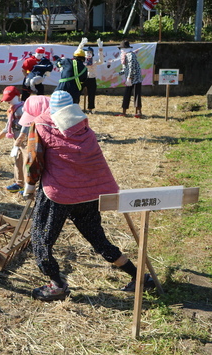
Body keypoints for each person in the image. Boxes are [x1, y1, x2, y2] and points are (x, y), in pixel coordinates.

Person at [23, 90, 153, 301]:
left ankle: (57, 285)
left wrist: (29, 186)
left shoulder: (40, 125)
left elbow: (33, 159)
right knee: (97, 238)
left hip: (58, 194)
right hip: (89, 195)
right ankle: (139, 277)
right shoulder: (84, 127)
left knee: (41, 239)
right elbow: (94, 162)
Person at [0, 86, 25, 193]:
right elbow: (8, 127)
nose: (8, 101)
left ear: (18, 96)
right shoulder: (11, 111)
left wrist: (20, 141)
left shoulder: (23, 110)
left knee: (27, 161)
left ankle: (28, 185)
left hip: (26, 141)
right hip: (16, 140)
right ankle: (19, 183)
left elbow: (28, 127)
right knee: (18, 160)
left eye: (10, 98)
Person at [54, 38, 88, 104]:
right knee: (73, 106)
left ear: (74, 56)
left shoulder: (67, 61)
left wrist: (58, 59)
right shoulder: (84, 69)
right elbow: (83, 80)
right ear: (84, 59)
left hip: (63, 87)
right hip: (75, 90)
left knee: (56, 102)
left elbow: (58, 64)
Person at [117, 40, 143, 118]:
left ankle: (139, 112)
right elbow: (126, 69)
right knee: (126, 94)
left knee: (137, 94)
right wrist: (118, 74)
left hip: (135, 78)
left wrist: (129, 77)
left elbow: (132, 67)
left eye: (121, 48)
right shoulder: (124, 56)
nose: (121, 50)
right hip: (129, 78)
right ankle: (124, 111)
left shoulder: (131, 55)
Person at [82, 39, 105, 114]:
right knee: (77, 92)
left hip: (92, 78)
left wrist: (100, 50)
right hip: (83, 78)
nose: (88, 53)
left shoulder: (94, 60)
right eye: (87, 52)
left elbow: (101, 61)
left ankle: (90, 108)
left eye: (90, 52)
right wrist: (81, 45)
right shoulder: (82, 60)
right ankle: (76, 107)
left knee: (91, 94)